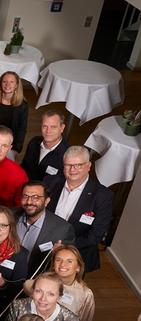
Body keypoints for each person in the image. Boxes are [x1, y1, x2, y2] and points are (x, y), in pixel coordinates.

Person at [44, 146, 113, 275]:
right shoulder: (50, 182)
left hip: (76, 254)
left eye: (78, 165)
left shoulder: (102, 196)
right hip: (44, 247)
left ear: (88, 166)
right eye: (68, 165)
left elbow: (95, 235)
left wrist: (65, 247)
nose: (72, 169)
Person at [13, 181, 76, 275]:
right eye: (25, 196)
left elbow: (70, 264)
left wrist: (59, 254)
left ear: (46, 201)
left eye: (35, 197)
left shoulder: (63, 229)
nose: (29, 202)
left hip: (37, 282)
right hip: (2, 278)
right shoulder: (8, 215)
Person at [46, 245, 95, 321]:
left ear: (78, 267)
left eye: (69, 261)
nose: (63, 265)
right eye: (59, 260)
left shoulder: (85, 294)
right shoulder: (42, 283)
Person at [21, 110, 69, 181]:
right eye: (45, 126)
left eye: (53, 127)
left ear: (62, 128)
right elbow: (24, 166)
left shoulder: (68, 154)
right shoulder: (33, 142)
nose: (48, 131)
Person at [0, 71, 28, 152]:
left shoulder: (23, 105)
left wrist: (16, 150)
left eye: (11, 82)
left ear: (16, 85)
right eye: (4, 81)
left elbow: (22, 129)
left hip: (9, 144)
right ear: (0, 83)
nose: (7, 84)